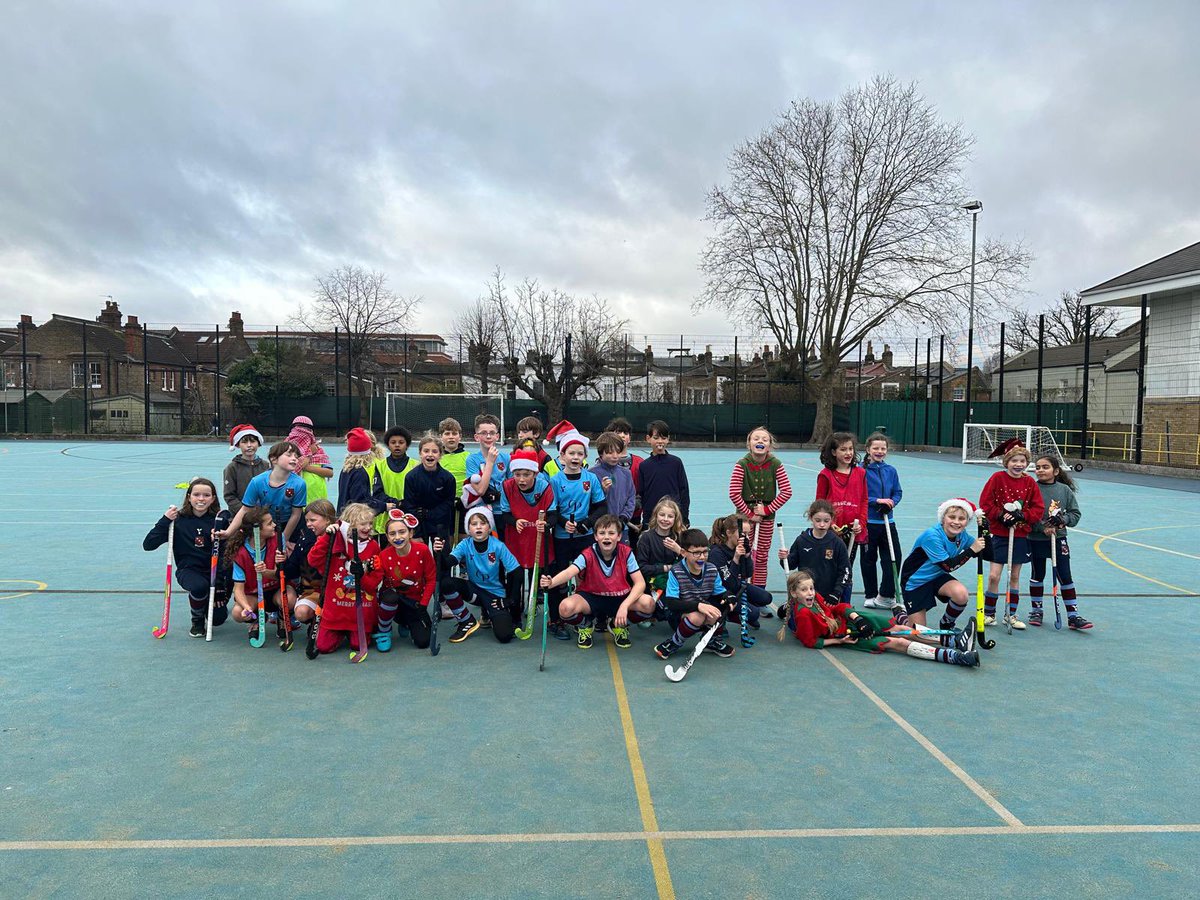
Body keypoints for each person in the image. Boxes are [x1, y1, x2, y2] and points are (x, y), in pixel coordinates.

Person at [781, 569, 978, 667]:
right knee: (897, 642)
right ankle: (955, 657)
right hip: (849, 636)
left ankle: (954, 640)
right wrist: (839, 640)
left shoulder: (816, 599)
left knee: (901, 629)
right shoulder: (804, 614)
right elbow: (811, 642)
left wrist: (857, 617)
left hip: (852, 623)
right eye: (804, 590)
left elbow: (839, 607)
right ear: (794, 592)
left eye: (811, 588)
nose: (810, 593)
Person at [540, 515, 656, 650]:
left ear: (619, 536)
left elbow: (640, 583)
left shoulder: (627, 553)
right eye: (602, 533)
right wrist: (551, 582)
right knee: (565, 608)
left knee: (648, 604)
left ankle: (617, 625)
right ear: (595, 537)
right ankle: (586, 626)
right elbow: (569, 572)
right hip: (591, 598)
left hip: (620, 598)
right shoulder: (588, 554)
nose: (606, 537)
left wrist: (625, 606)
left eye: (611, 533)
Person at [143, 477, 230, 637]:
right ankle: (197, 620)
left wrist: (219, 587)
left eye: (206, 495)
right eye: (196, 494)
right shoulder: (178, 521)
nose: (201, 499)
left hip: (214, 572)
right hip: (189, 571)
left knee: (218, 619)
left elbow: (228, 554)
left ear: (213, 499)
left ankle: (208, 601)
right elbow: (148, 544)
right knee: (198, 587)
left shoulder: (219, 521)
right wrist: (165, 520)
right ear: (189, 496)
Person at [544, 421, 608, 638]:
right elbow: (552, 511)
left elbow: (601, 507)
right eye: (571, 453)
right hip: (562, 538)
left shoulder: (591, 479)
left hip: (585, 537)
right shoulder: (554, 480)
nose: (575, 457)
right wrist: (563, 523)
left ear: (584, 457)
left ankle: (587, 616)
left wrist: (586, 523)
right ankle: (557, 620)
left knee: (587, 577)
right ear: (562, 455)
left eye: (579, 453)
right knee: (559, 578)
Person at [979, 440, 1044, 628]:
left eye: (1022, 461)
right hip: (999, 534)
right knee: (994, 576)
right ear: (1006, 462)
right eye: (1014, 460)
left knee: (1014, 576)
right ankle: (989, 613)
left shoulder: (1030, 482)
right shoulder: (997, 478)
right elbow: (986, 503)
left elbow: (1037, 508)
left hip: (1020, 535)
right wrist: (1001, 515)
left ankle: (1011, 614)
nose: (1018, 464)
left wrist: (1022, 515)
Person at [306, 503, 383, 655]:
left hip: (360, 611)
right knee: (323, 647)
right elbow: (313, 560)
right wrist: (327, 537)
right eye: (363, 524)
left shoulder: (373, 546)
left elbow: (375, 581)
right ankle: (339, 632)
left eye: (370, 523)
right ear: (350, 524)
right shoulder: (335, 541)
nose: (368, 527)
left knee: (357, 645)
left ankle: (352, 632)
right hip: (335, 613)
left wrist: (362, 576)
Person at [899, 498, 987, 631]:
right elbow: (948, 566)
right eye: (952, 517)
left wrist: (985, 530)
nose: (956, 522)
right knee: (918, 634)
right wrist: (971, 550)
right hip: (916, 582)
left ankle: (947, 623)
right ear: (943, 518)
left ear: (967, 521)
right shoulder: (932, 536)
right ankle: (901, 616)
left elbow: (987, 554)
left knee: (961, 594)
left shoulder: (962, 535)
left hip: (937, 576)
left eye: (961, 518)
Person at [441, 506, 523, 644]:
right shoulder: (465, 544)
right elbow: (447, 563)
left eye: (482, 523)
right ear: (468, 529)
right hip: (475, 592)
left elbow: (517, 572)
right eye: (474, 524)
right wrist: (440, 552)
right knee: (447, 584)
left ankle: (491, 612)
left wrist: (510, 600)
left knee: (504, 636)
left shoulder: (498, 546)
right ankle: (466, 620)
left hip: (495, 595)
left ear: (489, 526)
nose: (478, 527)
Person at [654, 528, 736, 660]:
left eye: (705, 552)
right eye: (696, 553)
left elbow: (720, 592)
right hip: (678, 615)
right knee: (697, 616)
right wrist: (698, 606)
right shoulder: (676, 572)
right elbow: (672, 603)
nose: (702, 557)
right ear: (683, 552)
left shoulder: (711, 569)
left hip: (700, 610)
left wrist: (728, 596)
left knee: (717, 614)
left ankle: (710, 641)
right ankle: (674, 642)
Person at [1029, 455, 1091, 630]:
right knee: (1037, 574)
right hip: (1036, 539)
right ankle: (1036, 611)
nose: (1040, 470)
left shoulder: (1064, 490)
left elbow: (1075, 514)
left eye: (1045, 467)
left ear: (1056, 471)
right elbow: (1028, 515)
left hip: (1059, 538)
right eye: (1038, 467)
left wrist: (1062, 520)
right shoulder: (1032, 488)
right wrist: (1042, 528)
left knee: (1065, 575)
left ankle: (1073, 616)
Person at [728, 426, 792, 589]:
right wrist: (750, 514)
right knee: (743, 552)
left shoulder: (775, 464)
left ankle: (758, 590)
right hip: (744, 518)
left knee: (761, 555)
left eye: (765, 439)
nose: (760, 441)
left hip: (767, 518)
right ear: (749, 444)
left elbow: (786, 491)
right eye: (756, 438)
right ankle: (741, 589)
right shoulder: (742, 464)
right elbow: (734, 493)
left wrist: (766, 510)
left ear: (770, 445)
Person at [370, 511, 441, 651]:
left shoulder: (423, 551)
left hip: (414, 602)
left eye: (402, 532)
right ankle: (384, 630)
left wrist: (423, 605)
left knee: (423, 642)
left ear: (411, 533)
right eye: (392, 534)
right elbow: (372, 584)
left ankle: (405, 622)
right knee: (390, 596)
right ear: (387, 537)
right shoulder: (383, 555)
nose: (397, 537)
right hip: (392, 599)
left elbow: (431, 580)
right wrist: (365, 572)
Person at [225, 508, 296, 642]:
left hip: (275, 589)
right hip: (253, 593)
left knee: (290, 599)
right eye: (269, 523)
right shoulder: (240, 553)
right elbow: (238, 589)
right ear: (256, 530)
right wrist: (247, 609)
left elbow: (278, 575)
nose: (274, 525)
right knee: (237, 613)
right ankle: (255, 619)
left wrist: (265, 572)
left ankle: (282, 617)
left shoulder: (277, 539)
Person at [221, 440, 307, 549]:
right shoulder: (257, 482)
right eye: (289, 455)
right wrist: (228, 532)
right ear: (274, 459)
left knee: (288, 558)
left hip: (291, 525)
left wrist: (283, 539)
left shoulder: (299, 484)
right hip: (268, 525)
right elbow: (244, 510)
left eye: (296, 456)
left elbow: (296, 515)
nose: (294, 458)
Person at [815, 431, 868, 602]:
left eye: (850, 449)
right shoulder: (826, 474)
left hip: (852, 531)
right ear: (833, 452)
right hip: (831, 532)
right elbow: (820, 504)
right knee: (829, 567)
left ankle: (844, 605)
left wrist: (861, 523)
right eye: (843, 449)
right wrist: (826, 524)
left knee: (846, 569)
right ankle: (825, 602)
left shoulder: (860, 473)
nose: (848, 453)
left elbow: (864, 500)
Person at [777, 500, 850, 610]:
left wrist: (836, 593)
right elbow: (790, 565)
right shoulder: (802, 540)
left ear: (832, 520)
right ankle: (788, 607)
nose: (822, 524)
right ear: (811, 518)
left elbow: (845, 572)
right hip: (806, 595)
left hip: (828, 597)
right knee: (797, 622)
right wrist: (784, 559)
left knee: (829, 624)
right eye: (818, 520)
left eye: (826, 521)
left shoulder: (837, 543)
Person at [860, 432, 903, 611]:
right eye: (876, 448)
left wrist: (892, 502)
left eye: (883, 448)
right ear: (868, 449)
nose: (879, 451)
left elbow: (898, 492)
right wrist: (876, 502)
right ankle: (870, 594)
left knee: (894, 557)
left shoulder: (890, 470)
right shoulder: (861, 470)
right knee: (869, 558)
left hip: (887, 522)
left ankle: (886, 595)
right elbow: (861, 494)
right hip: (869, 522)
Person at [497, 446, 557, 574]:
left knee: (537, 574)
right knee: (515, 573)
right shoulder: (507, 486)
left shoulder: (545, 487)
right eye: (517, 475)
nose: (521, 479)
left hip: (539, 538)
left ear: (535, 473)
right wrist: (515, 521)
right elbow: (505, 514)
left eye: (526, 475)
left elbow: (553, 515)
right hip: (516, 537)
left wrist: (547, 524)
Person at [709, 514, 773, 633]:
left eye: (748, 534)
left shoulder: (740, 546)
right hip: (722, 594)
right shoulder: (716, 553)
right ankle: (729, 615)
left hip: (736, 586)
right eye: (743, 533)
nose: (746, 538)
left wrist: (747, 556)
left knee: (766, 597)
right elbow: (728, 584)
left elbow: (748, 573)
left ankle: (741, 610)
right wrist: (736, 559)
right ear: (729, 533)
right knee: (754, 614)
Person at [289, 499, 337, 630]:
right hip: (314, 591)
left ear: (327, 519)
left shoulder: (341, 537)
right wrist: (281, 561)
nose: (308, 524)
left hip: (338, 590)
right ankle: (317, 622)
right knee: (301, 612)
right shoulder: (306, 540)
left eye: (313, 520)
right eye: (307, 521)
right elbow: (291, 571)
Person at [639, 420, 689, 528]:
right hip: (651, 518)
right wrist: (645, 518)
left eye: (664, 438)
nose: (660, 441)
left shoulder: (676, 462)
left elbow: (684, 491)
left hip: (673, 517)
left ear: (668, 439)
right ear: (648, 439)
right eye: (656, 438)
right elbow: (641, 494)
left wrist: (684, 517)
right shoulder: (644, 466)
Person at [590, 431, 636, 540]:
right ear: (601, 453)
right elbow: (589, 502)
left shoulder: (626, 473)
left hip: (621, 528)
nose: (615, 456)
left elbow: (631, 498)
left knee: (622, 555)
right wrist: (603, 491)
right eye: (610, 453)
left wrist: (623, 519)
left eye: (618, 452)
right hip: (599, 528)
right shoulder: (591, 474)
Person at [635, 498, 685, 594]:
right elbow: (642, 567)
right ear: (656, 516)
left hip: (675, 583)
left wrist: (679, 551)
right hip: (651, 583)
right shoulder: (646, 538)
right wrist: (667, 568)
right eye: (662, 515)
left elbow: (691, 563)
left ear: (675, 519)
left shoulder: (679, 537)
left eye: (670, 516)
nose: (665, 519)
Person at [337, 427, 388, 516]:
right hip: (354, 519)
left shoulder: (346, 469)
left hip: (343, 515)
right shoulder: (360, 472)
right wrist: (384, 506)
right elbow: (361, 501)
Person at [605, 417, 643, 537]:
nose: (622, 435)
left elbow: (642, 491)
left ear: (629, 438)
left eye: (625, 433)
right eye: (618, 432)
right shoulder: (602, 464)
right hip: (610, 517)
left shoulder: (639, 463)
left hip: (634, 516)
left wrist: (632, 507)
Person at [222, 423, 268, 517]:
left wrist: (265, 510)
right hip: (240, 516)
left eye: (253, 441)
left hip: (263, 515)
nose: (249, 445)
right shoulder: (232, 468)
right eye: (244, 442)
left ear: (258, 443)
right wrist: (245, 511)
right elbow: (229, 496)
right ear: (238, 444)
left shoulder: (266, 466)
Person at [287, 415, 334, 503]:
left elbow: (329, 473)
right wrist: (309, 453)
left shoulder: (319, 451)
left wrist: (307, 467)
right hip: (293, 501)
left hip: (317, 501)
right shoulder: (285, 450)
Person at [466, 413, 510, 506]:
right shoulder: (472, 460)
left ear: (497, 436)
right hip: (481, 511)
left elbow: (512, 487)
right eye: (483, 433)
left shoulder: (506, 458)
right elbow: (480, 490)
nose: (488, 436)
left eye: (492, 433)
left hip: (503, 509)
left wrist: (499, 495)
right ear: (476, 437)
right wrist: (490, 462)